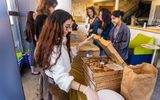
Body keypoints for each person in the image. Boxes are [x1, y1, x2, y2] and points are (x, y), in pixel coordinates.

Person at [34, 9, 99, 100]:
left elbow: (66, 53)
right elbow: (61, 78)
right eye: (67, 27)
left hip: (52, 81)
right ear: (56, 26)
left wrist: (83, 43)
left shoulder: (55, 39)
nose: (69, 30)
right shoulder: (53, 48)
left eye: (70, 27)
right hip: (56, 85)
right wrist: (86, 90)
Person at [34, 0, 58, 99]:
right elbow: (48, 37)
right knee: (48, 80)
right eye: (53, 7)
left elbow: (37, 37)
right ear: (48, 6)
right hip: (46, 53)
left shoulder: (38, 17)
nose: (54, 9)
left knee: (44, 78)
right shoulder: (44, 18)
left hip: (41, 51)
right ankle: (46, 97)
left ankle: (42, 96)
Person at [24, 11, 40, 75]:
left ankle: (33, 70)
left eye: (35, 15)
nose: (35, 16)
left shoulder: (30, 23)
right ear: (30, 16)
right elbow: (33, 35)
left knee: (33, 55)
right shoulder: (31, 24)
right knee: (32, 55)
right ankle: (33, 71)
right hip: (32, 42)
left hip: (32, 42)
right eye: (33, 15)